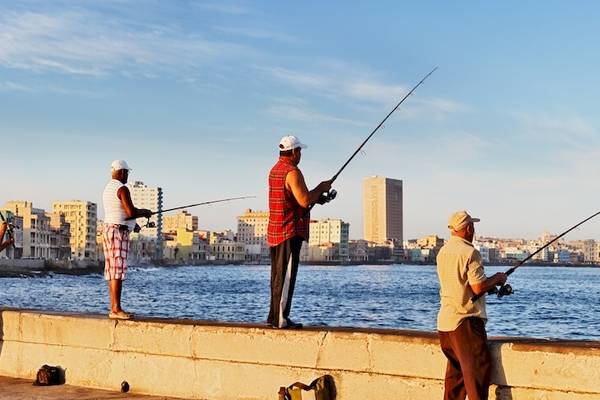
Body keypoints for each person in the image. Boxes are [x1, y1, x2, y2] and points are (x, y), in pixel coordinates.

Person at [436, 211, 507, 400]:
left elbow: (460, 285)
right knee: (478, 374)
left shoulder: (443, 252)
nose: (474, 230)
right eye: (473, 226)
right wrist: (498, 278)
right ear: (468, 228)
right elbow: (478, 287)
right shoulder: (470, 252)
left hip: (445, 325)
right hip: (465, 324)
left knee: (455, 383)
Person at [267, 135, 333, 329]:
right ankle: (280, 320)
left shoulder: (275, 170)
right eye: (300, 151)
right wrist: (321, 187)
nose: (301, 155)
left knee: (277, 277)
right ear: (294, 152)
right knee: (286, 277)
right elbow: (304, 200)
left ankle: (274, 317)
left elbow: (295, 199)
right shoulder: (292, 172)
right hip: (289, 231)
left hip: (276, 231)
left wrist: (318, 198)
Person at [101, 160, 152, 320]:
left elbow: (118, 212)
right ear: (122, 172)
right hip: (117, 233)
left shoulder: (108, 188)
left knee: (111, 270)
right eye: (127, 173)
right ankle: (116, 309)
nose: (127, 176)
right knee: (118, 270)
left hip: (109, 229)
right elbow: (130, 211)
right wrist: (145, 212)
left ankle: (114, 308)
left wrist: (133, 225)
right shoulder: (122, 188)